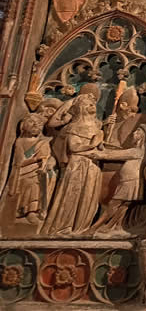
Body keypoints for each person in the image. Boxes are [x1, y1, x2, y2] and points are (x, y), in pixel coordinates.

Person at [41, 93, 103, 235]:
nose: (91, 105)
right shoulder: (74, 126)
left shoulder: (97, 126)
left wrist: (100, 142)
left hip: (93, 165)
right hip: (78, 165)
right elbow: (73, 148)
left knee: (89, 198)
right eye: (87, 103)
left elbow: (100, 148)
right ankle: (64, 227)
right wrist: (92, 144)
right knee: (72, 195)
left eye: (93, 103)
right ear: (80, 108)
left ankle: (81, 227)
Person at [9, 113, 56, 224]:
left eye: (39, 124)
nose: (36, 125)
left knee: (50, 176)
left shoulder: (44, 142)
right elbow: (19, 162)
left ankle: (41, 209)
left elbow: (51, 157)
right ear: (23, 125)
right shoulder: (20, 142)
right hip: (24, 171)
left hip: (41, 170)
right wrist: (35, 159)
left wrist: (50, 162)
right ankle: (29, 211)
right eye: (32, 122)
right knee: (33, 182)